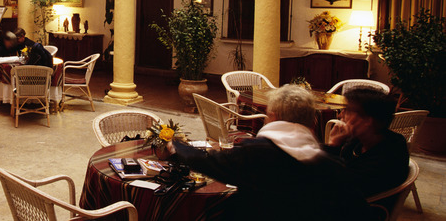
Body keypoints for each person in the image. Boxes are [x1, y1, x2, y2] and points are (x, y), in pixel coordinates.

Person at [171, 85, 374, 220]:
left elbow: (209, 162)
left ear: (273, 117)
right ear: (311, 122)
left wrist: (175, 146)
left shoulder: (256, 154)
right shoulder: (330, 164)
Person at [325, 88, 409, 198]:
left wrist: (333, 146)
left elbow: (332, 185)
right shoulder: (359, 141)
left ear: (368, 121)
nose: (340, 115)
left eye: (348, 111)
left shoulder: (388, 156)